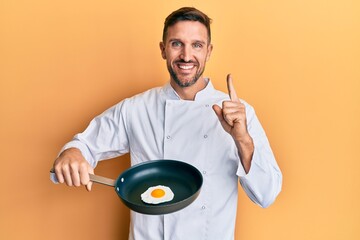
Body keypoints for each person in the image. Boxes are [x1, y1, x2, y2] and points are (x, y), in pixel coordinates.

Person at [51, 7, 282, 240]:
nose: (186, 55)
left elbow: (266, 194)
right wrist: (73, 154)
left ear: (209, 51)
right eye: (176, 44)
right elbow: (83, 146)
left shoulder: (239, 113)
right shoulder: (136, 108)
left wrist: (242, 139)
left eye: (197, 45)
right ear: (163, 49)